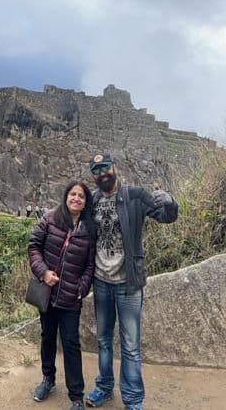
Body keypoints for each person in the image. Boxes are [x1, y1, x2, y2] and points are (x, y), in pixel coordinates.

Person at [84, 154, 177, 410]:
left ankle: (133, 400)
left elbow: (166, 216)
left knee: (130, 346)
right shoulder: (93, 200)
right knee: (103, 340)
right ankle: (103, 388)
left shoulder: (135, 195)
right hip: (101, 282)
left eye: (105, 167)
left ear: (114, 168)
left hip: (128, 283)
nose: (101, 173)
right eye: (96, 170)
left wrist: (170, 203)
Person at [29, 181, 100, 410]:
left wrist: (81, 289)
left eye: (81, 196)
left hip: (71, 299)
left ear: (86, 201)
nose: (76, 198)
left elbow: (90, 266)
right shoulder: (50, 218)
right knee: (47, 337)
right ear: (66, 196)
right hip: (47, 294)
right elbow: (34, 247)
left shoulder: (90, 229)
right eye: (73, 194)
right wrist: (43, 272)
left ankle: (76, 397)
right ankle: (48, 380)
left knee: (71, 344)